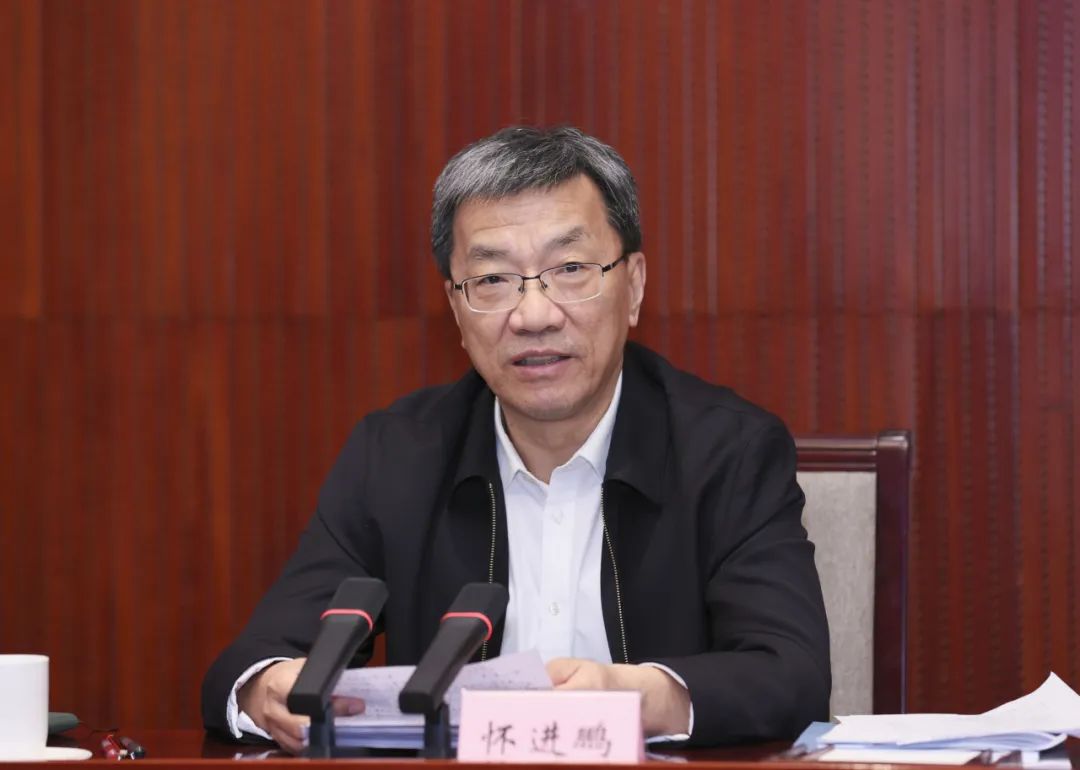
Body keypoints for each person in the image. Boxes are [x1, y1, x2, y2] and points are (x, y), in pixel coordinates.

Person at [201, 126, 830, 753]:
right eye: (492, 280)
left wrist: (643, 698)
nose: (533, 315)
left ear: (634, 286)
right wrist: (265, 689)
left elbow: (791, 673)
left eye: (571, 269)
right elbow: (251, 663)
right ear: (455, 309)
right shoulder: (395, 457)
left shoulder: (728, 452)